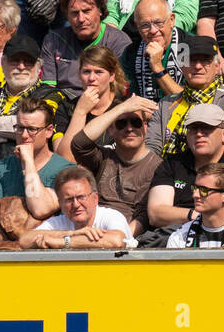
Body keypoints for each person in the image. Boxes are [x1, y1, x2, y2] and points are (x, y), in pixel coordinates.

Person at [144, 99, 224, 229]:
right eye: (193, 129)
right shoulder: (172, 164)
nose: (199, 134)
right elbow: (155, 214)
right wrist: (193, 215)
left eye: (207, 128)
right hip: (172, 235)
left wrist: (184, 215)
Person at [0, 98, 74, 222]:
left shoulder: (66, 170)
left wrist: (28, 162)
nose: (24, 135)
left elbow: (40, 209)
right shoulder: (0, 167)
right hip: (3, 240)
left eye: (32, 129)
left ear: (49, 131)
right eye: (20, 128)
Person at [70, 92, 161, 226]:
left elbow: (143, 216)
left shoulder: (158, 166)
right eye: (121, 123)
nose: (129, 128)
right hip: (91, 229)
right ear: (111, 129)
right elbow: (79, 143)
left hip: (127, 236)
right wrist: (122, 108)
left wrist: (124, 238)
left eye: (136, 123)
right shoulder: (103, 157)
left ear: (145, 127)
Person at [19, 164, 134, 249]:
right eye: (69, 200)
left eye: (81, 197)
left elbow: (117, 240)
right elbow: (24, 240)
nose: (76, 204)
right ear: (60, 204)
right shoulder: (59, 222)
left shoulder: (110, 216)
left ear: (95, 198)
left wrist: (64, 242)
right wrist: (72, 233)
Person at [54, 43, 127, 161]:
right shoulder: (65, 108)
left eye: (99, 72)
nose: (92, 78)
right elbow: (65, 159)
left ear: (112, 76)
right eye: (86, 72)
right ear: (79, 74)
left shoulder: (125, 107)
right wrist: (80, 112)